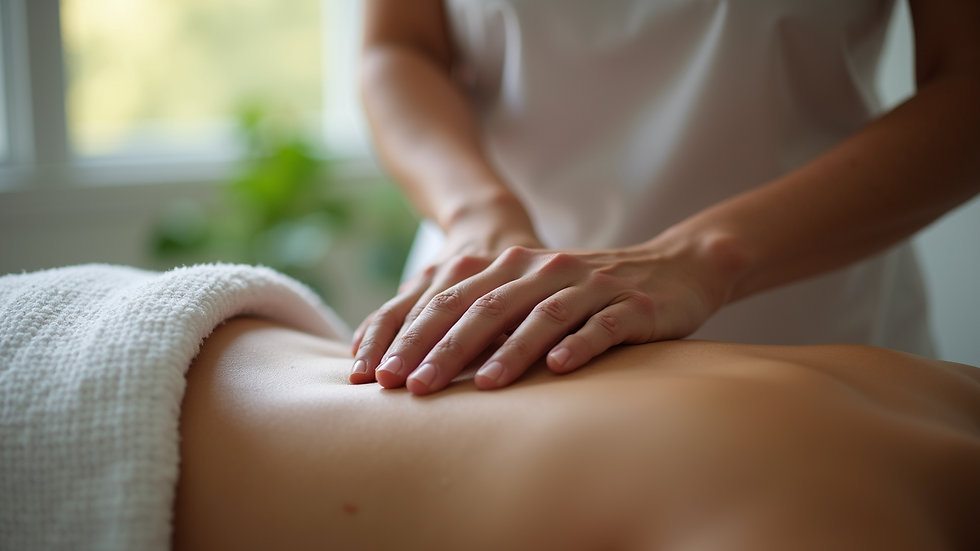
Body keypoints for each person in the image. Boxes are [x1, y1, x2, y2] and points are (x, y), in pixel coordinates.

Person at [350, 0, 980, 396]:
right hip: (489, 301)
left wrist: (704, 255)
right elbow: (397, 45)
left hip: (807, 324)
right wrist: (478, 216)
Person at [173, 315, 980, 550]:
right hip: (152, 394)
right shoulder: (837, 518)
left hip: (235, 352)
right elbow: (398, 47)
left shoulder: (947, 392)